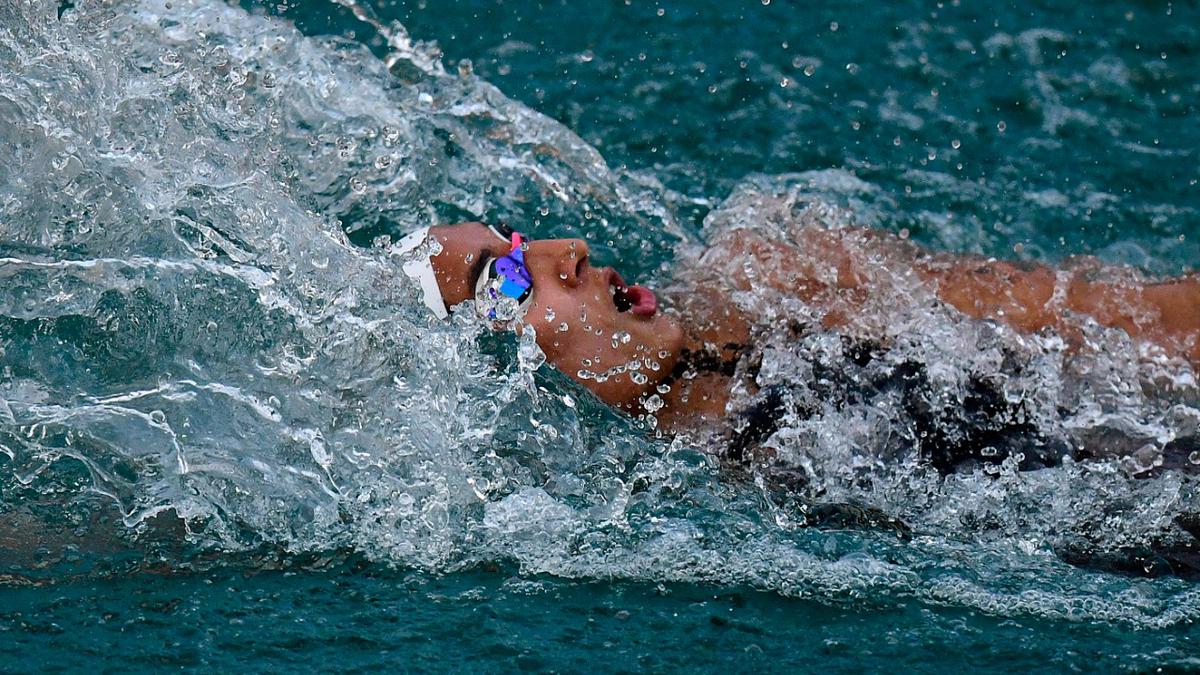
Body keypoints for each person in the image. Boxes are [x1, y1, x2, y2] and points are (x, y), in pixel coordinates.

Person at [396, 219, 1200, 475]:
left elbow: (1135, 321)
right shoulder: (707, 499)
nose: (565, 250)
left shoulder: (779, 274)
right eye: (507, 279)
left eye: (519, 237)